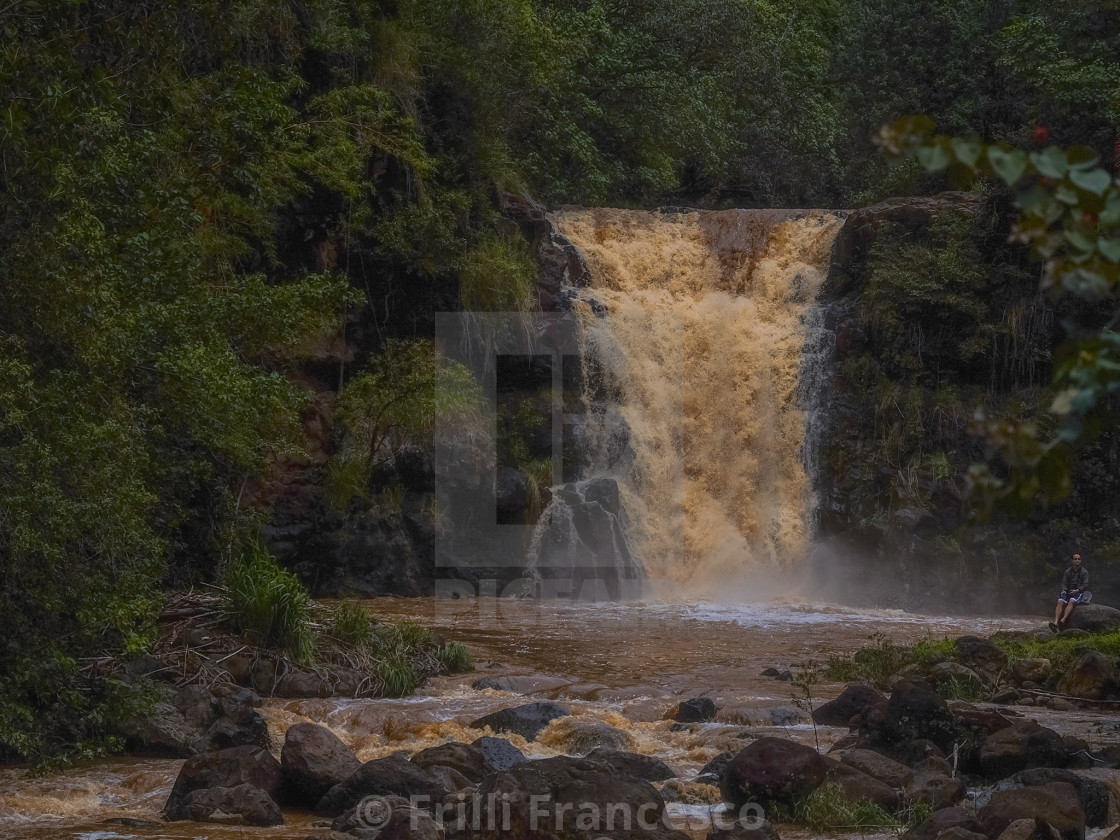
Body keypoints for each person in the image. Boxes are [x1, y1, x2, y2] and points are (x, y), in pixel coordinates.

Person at [1050, 553, 1090, 632]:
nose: (1077, 560)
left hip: (1078, 592)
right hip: (1069, 591)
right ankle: (1055, 623)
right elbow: (1064, 582)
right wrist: (1064, 590)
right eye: (1075, 559)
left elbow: (1085, 585)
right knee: (1060, 601)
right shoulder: (1068, 571)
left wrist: (1078, 590)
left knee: (1071, 601)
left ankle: (1062, 621)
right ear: (1072, 561)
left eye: (1079, 559)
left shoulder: (1084, 572)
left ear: (1081, 561)